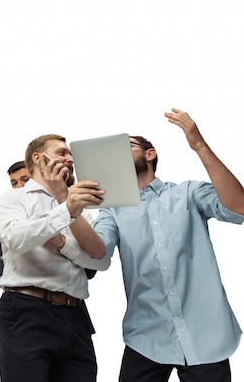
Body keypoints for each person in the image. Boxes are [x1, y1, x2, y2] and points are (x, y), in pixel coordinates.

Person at [92, 109, 244, 382]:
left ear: (149, 154)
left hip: (207, 335)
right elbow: (97, 253)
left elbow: (239, 209)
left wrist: (199, 145)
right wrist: (71, 205)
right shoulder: (111, 211)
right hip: (146, 337)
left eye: (125, 146)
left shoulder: (188, 192)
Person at [0, 134, 110, 382]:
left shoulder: (77, 204)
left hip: (76, 317)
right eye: (62, 153)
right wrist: (65, 210)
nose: (70, 159)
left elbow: (100, 260)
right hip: (27, 313)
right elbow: (15, 239)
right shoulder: (14, 198)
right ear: (38, 158)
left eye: (71, 155)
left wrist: (64, 241)